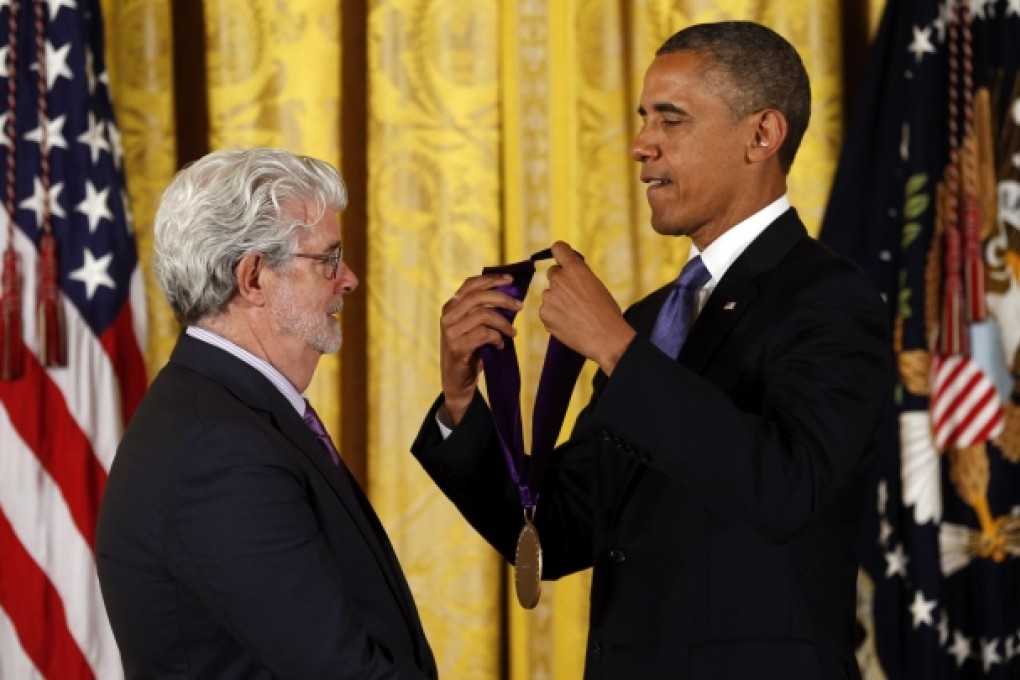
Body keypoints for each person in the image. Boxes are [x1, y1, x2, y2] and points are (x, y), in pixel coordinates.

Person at [411, 21, 891, 680]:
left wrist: (615, 348)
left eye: (672, 120)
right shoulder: (650, 317)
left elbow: (787, 490)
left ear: (762, 134)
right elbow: (559, 531)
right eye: (644, 120)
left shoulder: (831, 298)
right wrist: (463, 400)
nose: (641, 145)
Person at [96, 148, 437, 679]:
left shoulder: (225, 414)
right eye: (328, 258)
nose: (348, 278)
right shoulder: (219, 452)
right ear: (253, 278)